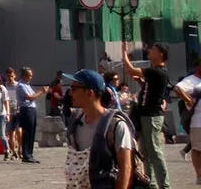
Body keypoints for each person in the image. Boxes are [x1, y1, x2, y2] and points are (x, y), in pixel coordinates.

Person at [64, 69, 135, 189]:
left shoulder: (115, 125)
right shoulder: (75, 122)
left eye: (74, 89)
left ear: (89, 93)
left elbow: (126, 167)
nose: (70, 93)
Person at [123, 42, 171, 188]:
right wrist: (140, 82)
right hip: (145, 116)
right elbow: (149, 89)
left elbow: (130, 69)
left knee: (155, 153)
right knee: (146, 154)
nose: (150, 51)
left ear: (161, 54)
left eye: (154, 49)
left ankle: (165, 186)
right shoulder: (155, 73)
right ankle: (151, 185)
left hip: (152, 116)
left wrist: (124, 54)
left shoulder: (156, 71)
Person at [173, 60, 201, 184]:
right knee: (197, 149)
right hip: (198, 122)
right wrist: (188, 100)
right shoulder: (191, 80)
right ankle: (199, 176)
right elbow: (177, 88)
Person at [15, 67, 46, 163]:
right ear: (24, 75)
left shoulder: (27, 85)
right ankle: (26, 154)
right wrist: (41, 92)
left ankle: (30, 154)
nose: (31, 78)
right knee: (27, 132)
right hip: (26, 109)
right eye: (29, 76)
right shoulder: (21, 85)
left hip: (32, 109)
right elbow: (30, 97)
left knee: (32, 131)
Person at [4, 68, 22, 160]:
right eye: (8, 76)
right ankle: (14, 151)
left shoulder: (18, 85)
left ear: (15, 76)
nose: (10, 78)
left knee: (19, 131)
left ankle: (20, 149)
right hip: (9, 112)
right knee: (11, 133)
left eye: (11, 76)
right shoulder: (4, 86)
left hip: (18, 111)